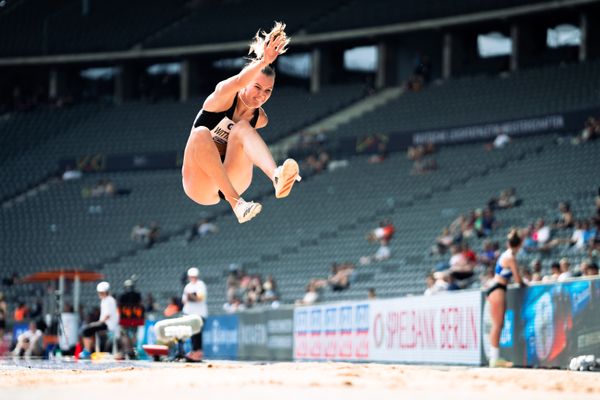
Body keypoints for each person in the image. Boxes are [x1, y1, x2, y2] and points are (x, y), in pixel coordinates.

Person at [181, 22, 301, 224]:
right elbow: (237, 82)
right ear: (247, 83)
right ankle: (237, 204)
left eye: (267, 91)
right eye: (256, 87)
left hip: (233, 177)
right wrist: (264, 61)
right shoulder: (222, 97)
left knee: (243, 128)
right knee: (201, 132)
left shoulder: (259, 119)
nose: (261, 96)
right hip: (199, 183)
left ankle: (276, 176)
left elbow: (246, 146)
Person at [486, 229, 526, 368]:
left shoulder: (506, 254)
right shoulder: (511, 258)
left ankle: (494, 357)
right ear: (519, 245)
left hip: (496, 288)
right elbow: (518, 279)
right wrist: (524, 283)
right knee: (497, 324)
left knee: (498, 324)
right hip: (498, 289)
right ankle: (494, 359)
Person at [78, 281, 119, 359]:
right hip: (106, 323)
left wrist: (99, 322)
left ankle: (87, 351)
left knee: (86, 330)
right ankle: (89, 350)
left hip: (108, 324)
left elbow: (107, 315)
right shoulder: (106, 300)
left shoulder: (109, 300)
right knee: (89, 329)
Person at [181, 267, 207, 362]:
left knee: (197, 333)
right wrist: (192, 295)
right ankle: (194, 351)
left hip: (199, 314)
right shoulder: (188, 287)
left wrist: (190, 296)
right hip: (190, 314)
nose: (193, 278)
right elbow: (184, 300)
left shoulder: (201, 285)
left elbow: (200, 298)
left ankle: (198, 352)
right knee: (192, 334)